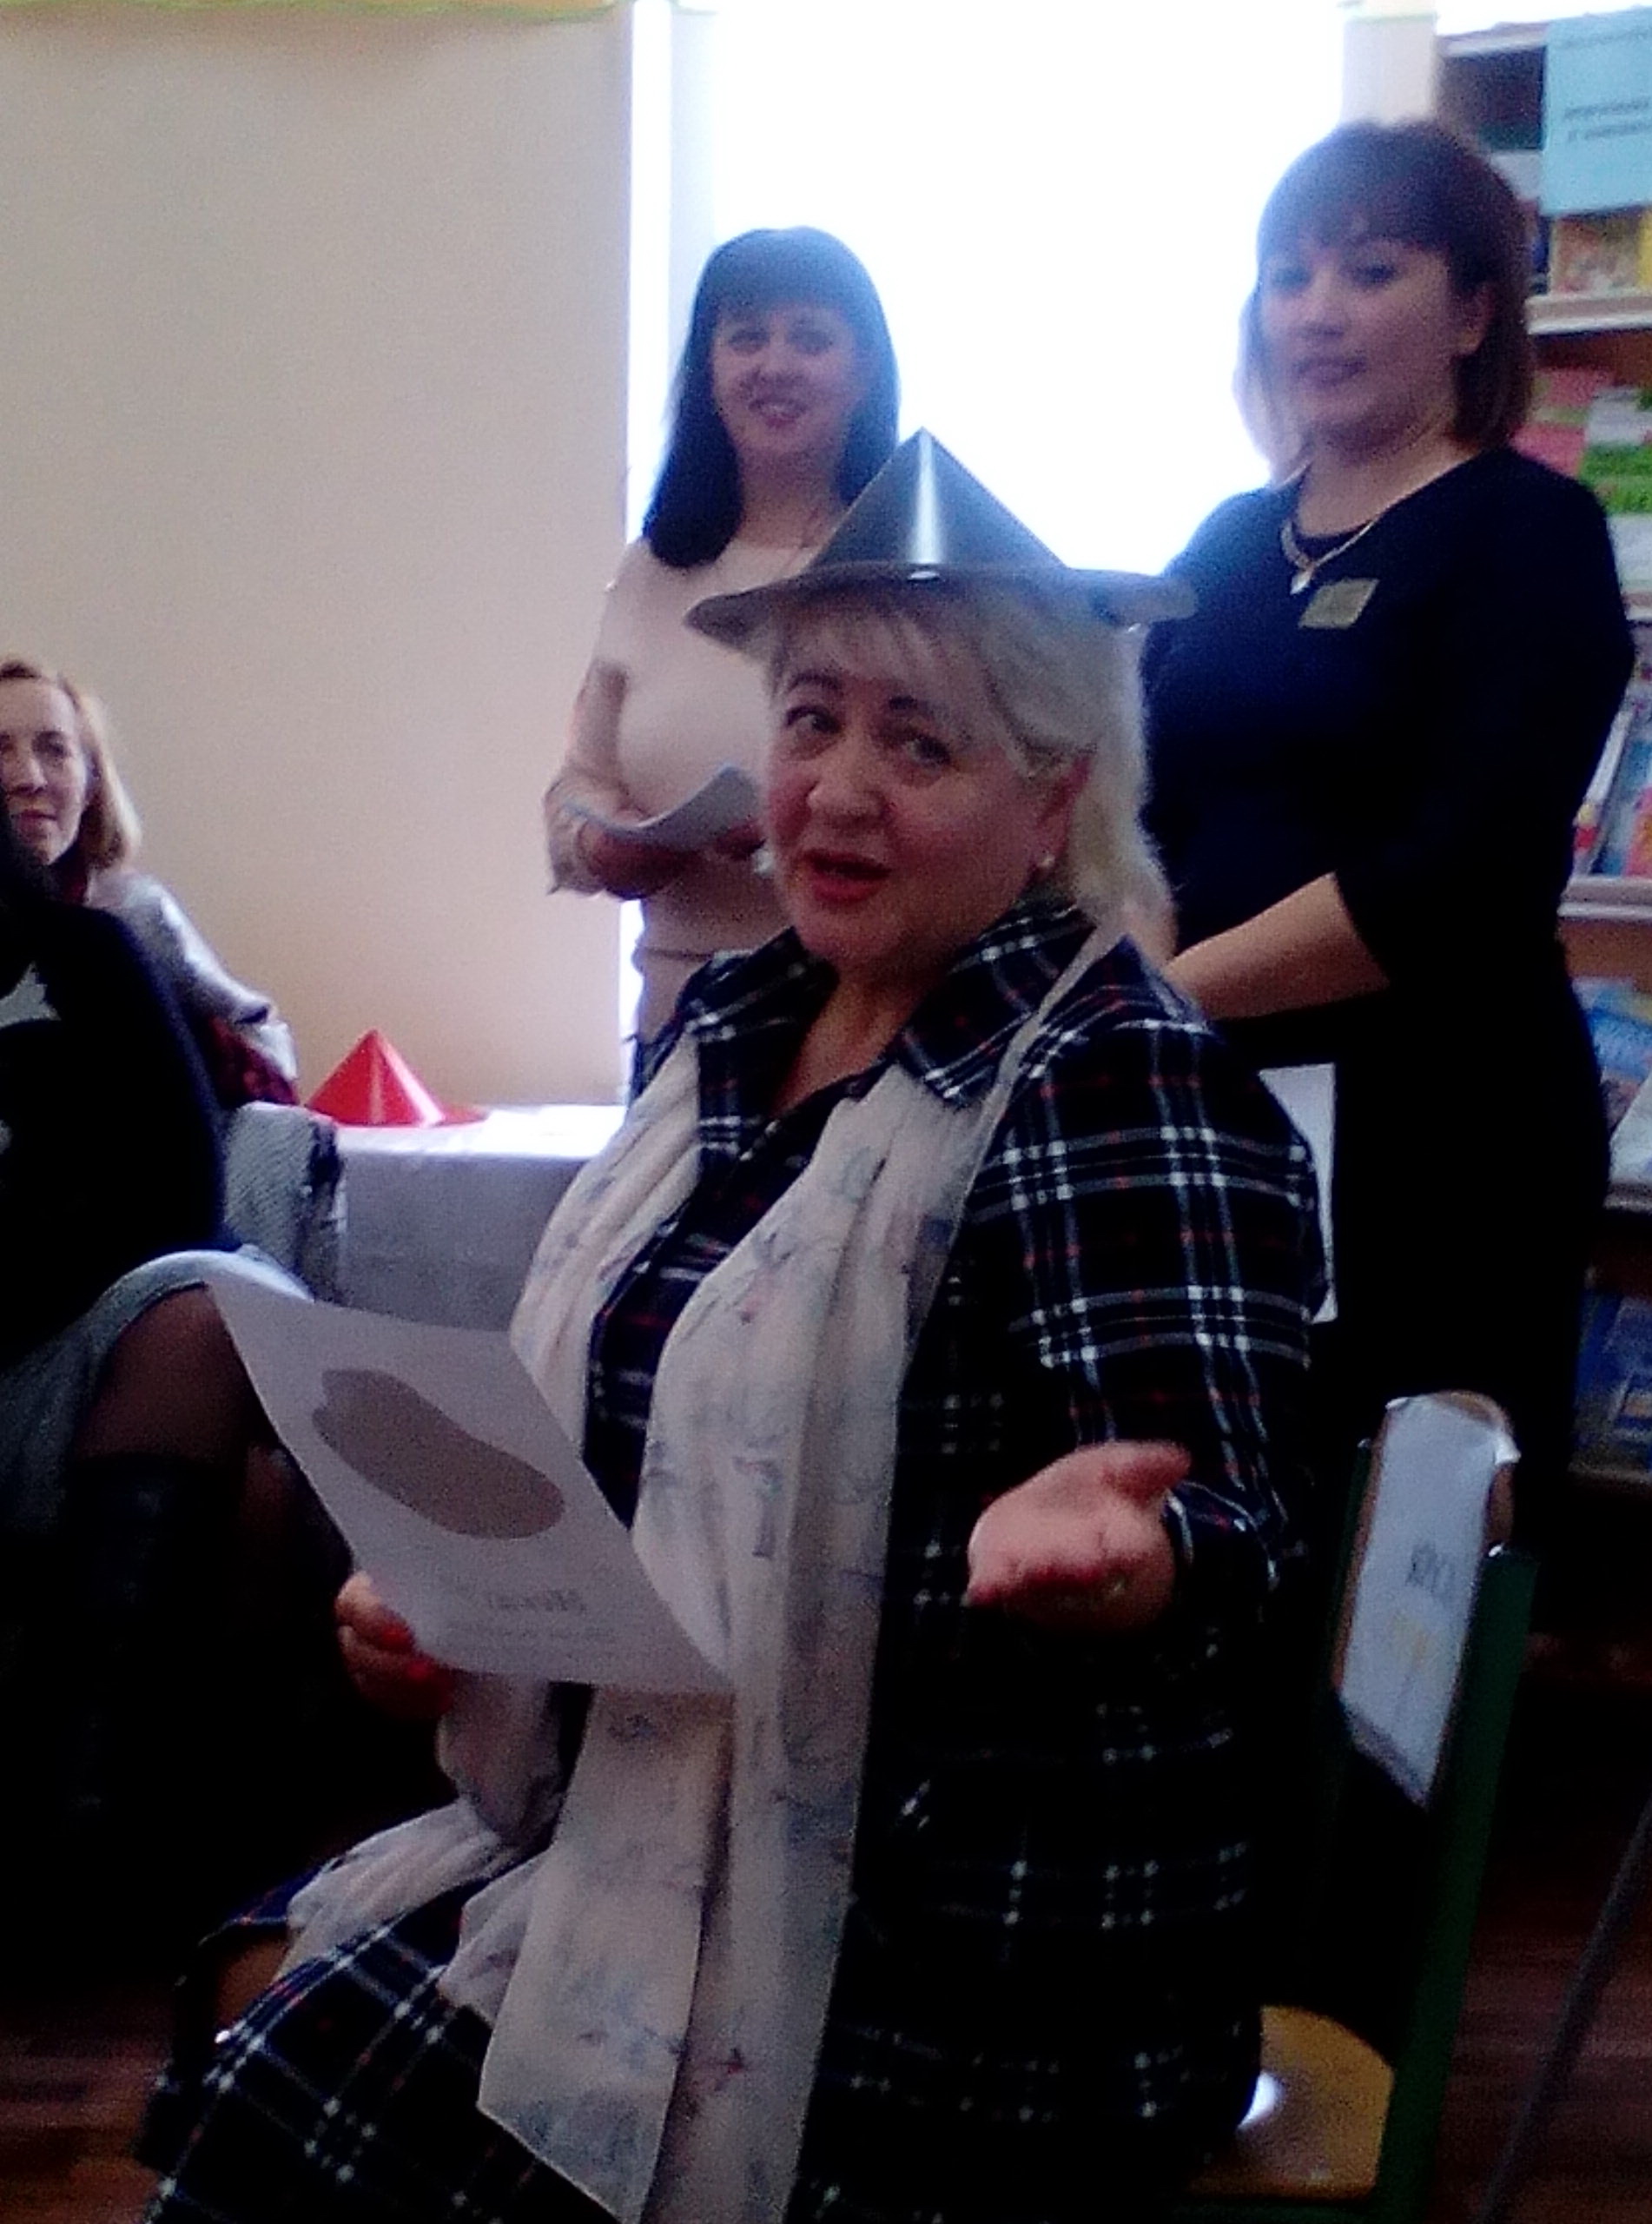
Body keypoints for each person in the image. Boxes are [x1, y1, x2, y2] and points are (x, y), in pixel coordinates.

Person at [141, 435, 1322, 2224]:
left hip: (962, 1941)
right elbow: (637, 1459)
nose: (836, 789)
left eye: (919, 744)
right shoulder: (736, 1040)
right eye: (811, 721)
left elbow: (1234, 1530)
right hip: (658, 1832)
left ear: (1053, 792)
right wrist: (464, 1610)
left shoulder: (1112, 1083)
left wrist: (1129, 1558)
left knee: (292, 2072)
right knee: (255, 2001)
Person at [1142, 119, 1634, 1550]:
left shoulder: (1530, 533)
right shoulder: (1226, 544)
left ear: (1472, 312)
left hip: (1447, 1134)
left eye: (1369, 272)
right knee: (1231, 1522)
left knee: (1414, 1567)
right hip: (1230, 1116)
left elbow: (1458, 874)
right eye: (1288, 276)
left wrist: (1166, 995)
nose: (1317, 311)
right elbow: (1128, 811)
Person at [0, 806, 345, 1951]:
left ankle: (81, 1811)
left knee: (206, 1309)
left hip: (77, 1328)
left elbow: (176, 1188)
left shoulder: (85, 955)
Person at [545, 227, 900, 1049]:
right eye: (745, 337)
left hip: (858, 1023)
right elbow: (576, 790)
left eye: (810, 338)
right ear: (708, 373)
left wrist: (792, 837)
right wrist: (604, 846)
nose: (775, 364)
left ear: (864, 372)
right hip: (678, 1027)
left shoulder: (900, 568)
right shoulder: (653, 569)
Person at [0, 655, 300, 1109]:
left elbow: (265, 1047)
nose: (30, 778)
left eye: (55, 750)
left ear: (91, 786)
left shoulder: (130, 914)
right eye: (1, 749)